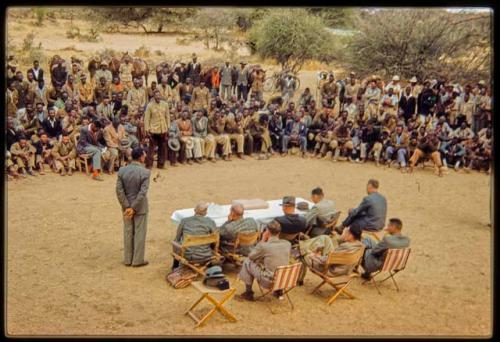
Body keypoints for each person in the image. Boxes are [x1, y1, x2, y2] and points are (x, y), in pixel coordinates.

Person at [236, 220, 291, 301]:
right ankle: (278, 291)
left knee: (247, 262)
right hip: (284, 280)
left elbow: (251, 256)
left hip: (269, 281)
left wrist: (262, 240)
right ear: (279, 232)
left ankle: (248, 293)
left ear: (267, 232)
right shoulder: (287, 244)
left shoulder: (264, 246)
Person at [116, 147, 151, 267]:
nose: (145, 157)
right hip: (140, 207)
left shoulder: (122, 170)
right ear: (141, 157)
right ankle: (137, 260)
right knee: (140, 233)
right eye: (144, 155)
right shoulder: (145, 172)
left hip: (126, 208)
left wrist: (127, 206)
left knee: (128, 232)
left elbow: (119, 191)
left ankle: (127, 259)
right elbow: (142, 193)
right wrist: (134, 207)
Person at [298, 225, 364, 284]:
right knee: (325, 238)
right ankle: (302, 245)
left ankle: (299, 280)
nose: (344, 233)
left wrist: (314, 256)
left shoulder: (345, 247)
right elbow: (335, 253)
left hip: (330, 270)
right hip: (340, 267)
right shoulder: (359, 245)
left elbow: (324, 261)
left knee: (303, 254)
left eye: (346, 232)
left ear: (351, 235)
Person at [172, 202, 218, 270]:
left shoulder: (184, 221)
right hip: (205, 255)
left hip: (186, 255)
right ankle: (209, 264)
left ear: (194, 210)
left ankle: (175, 266)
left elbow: (177, 238)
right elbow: (216, 237)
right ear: (205, 212)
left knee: (175, 243)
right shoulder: (210, 222)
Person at [144, 89, 170, 169]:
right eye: (156, 95)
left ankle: (161, 164)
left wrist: (168, 127)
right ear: (154, 96)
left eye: (159, 95)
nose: (158, 97)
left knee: (162, 148)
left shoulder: (165, 104)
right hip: (153, 130)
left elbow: (167, 117)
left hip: (163, 130)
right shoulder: (150, 105)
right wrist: (147, 130)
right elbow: (147, 119)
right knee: (151, 149)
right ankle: (149, 165)